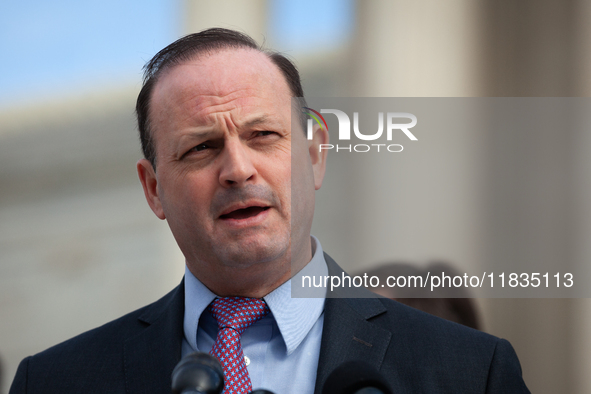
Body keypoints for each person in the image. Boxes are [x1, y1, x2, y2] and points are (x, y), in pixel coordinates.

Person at [9, 28, 530, 393]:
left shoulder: (471, 371)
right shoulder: (55, 381)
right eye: (201, 148)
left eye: (263, 136)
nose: (238, 169)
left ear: (314, 155)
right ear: (153, 191)